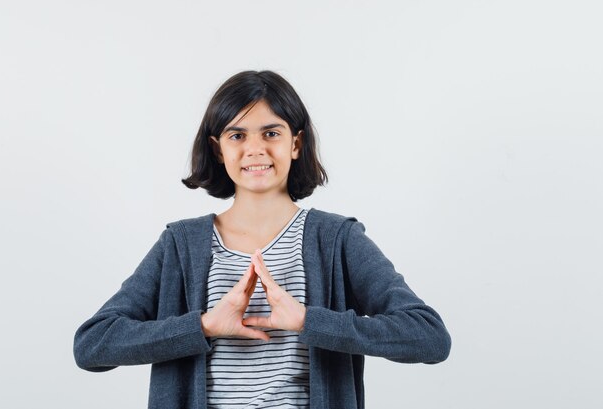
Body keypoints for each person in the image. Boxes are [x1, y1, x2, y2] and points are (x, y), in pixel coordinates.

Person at [73, 70, 451, 409]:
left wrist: (308, 321)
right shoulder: (180, 244)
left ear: (296, 144)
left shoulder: (336, 239)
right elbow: (92, 345)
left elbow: (428, 336)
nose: (255, 149)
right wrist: (202, 325)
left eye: (271, 133)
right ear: (219, 149)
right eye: (237, 135)